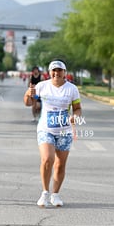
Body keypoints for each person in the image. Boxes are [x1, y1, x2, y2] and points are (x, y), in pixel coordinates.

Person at [23, 59, 82, 207]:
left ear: (64, 73)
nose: (56, 73)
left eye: (59, 70)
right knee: (47, 159)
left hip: (64, 131)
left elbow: (77, 108)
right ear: (49, 73)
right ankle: (44, 192)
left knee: (60, 165)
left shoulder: (72, 89)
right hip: (45, 129)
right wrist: (29, 94)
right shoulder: (42, 86)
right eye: (53, 70)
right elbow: (28, 103)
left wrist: (76, 116)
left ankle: (55, 194)